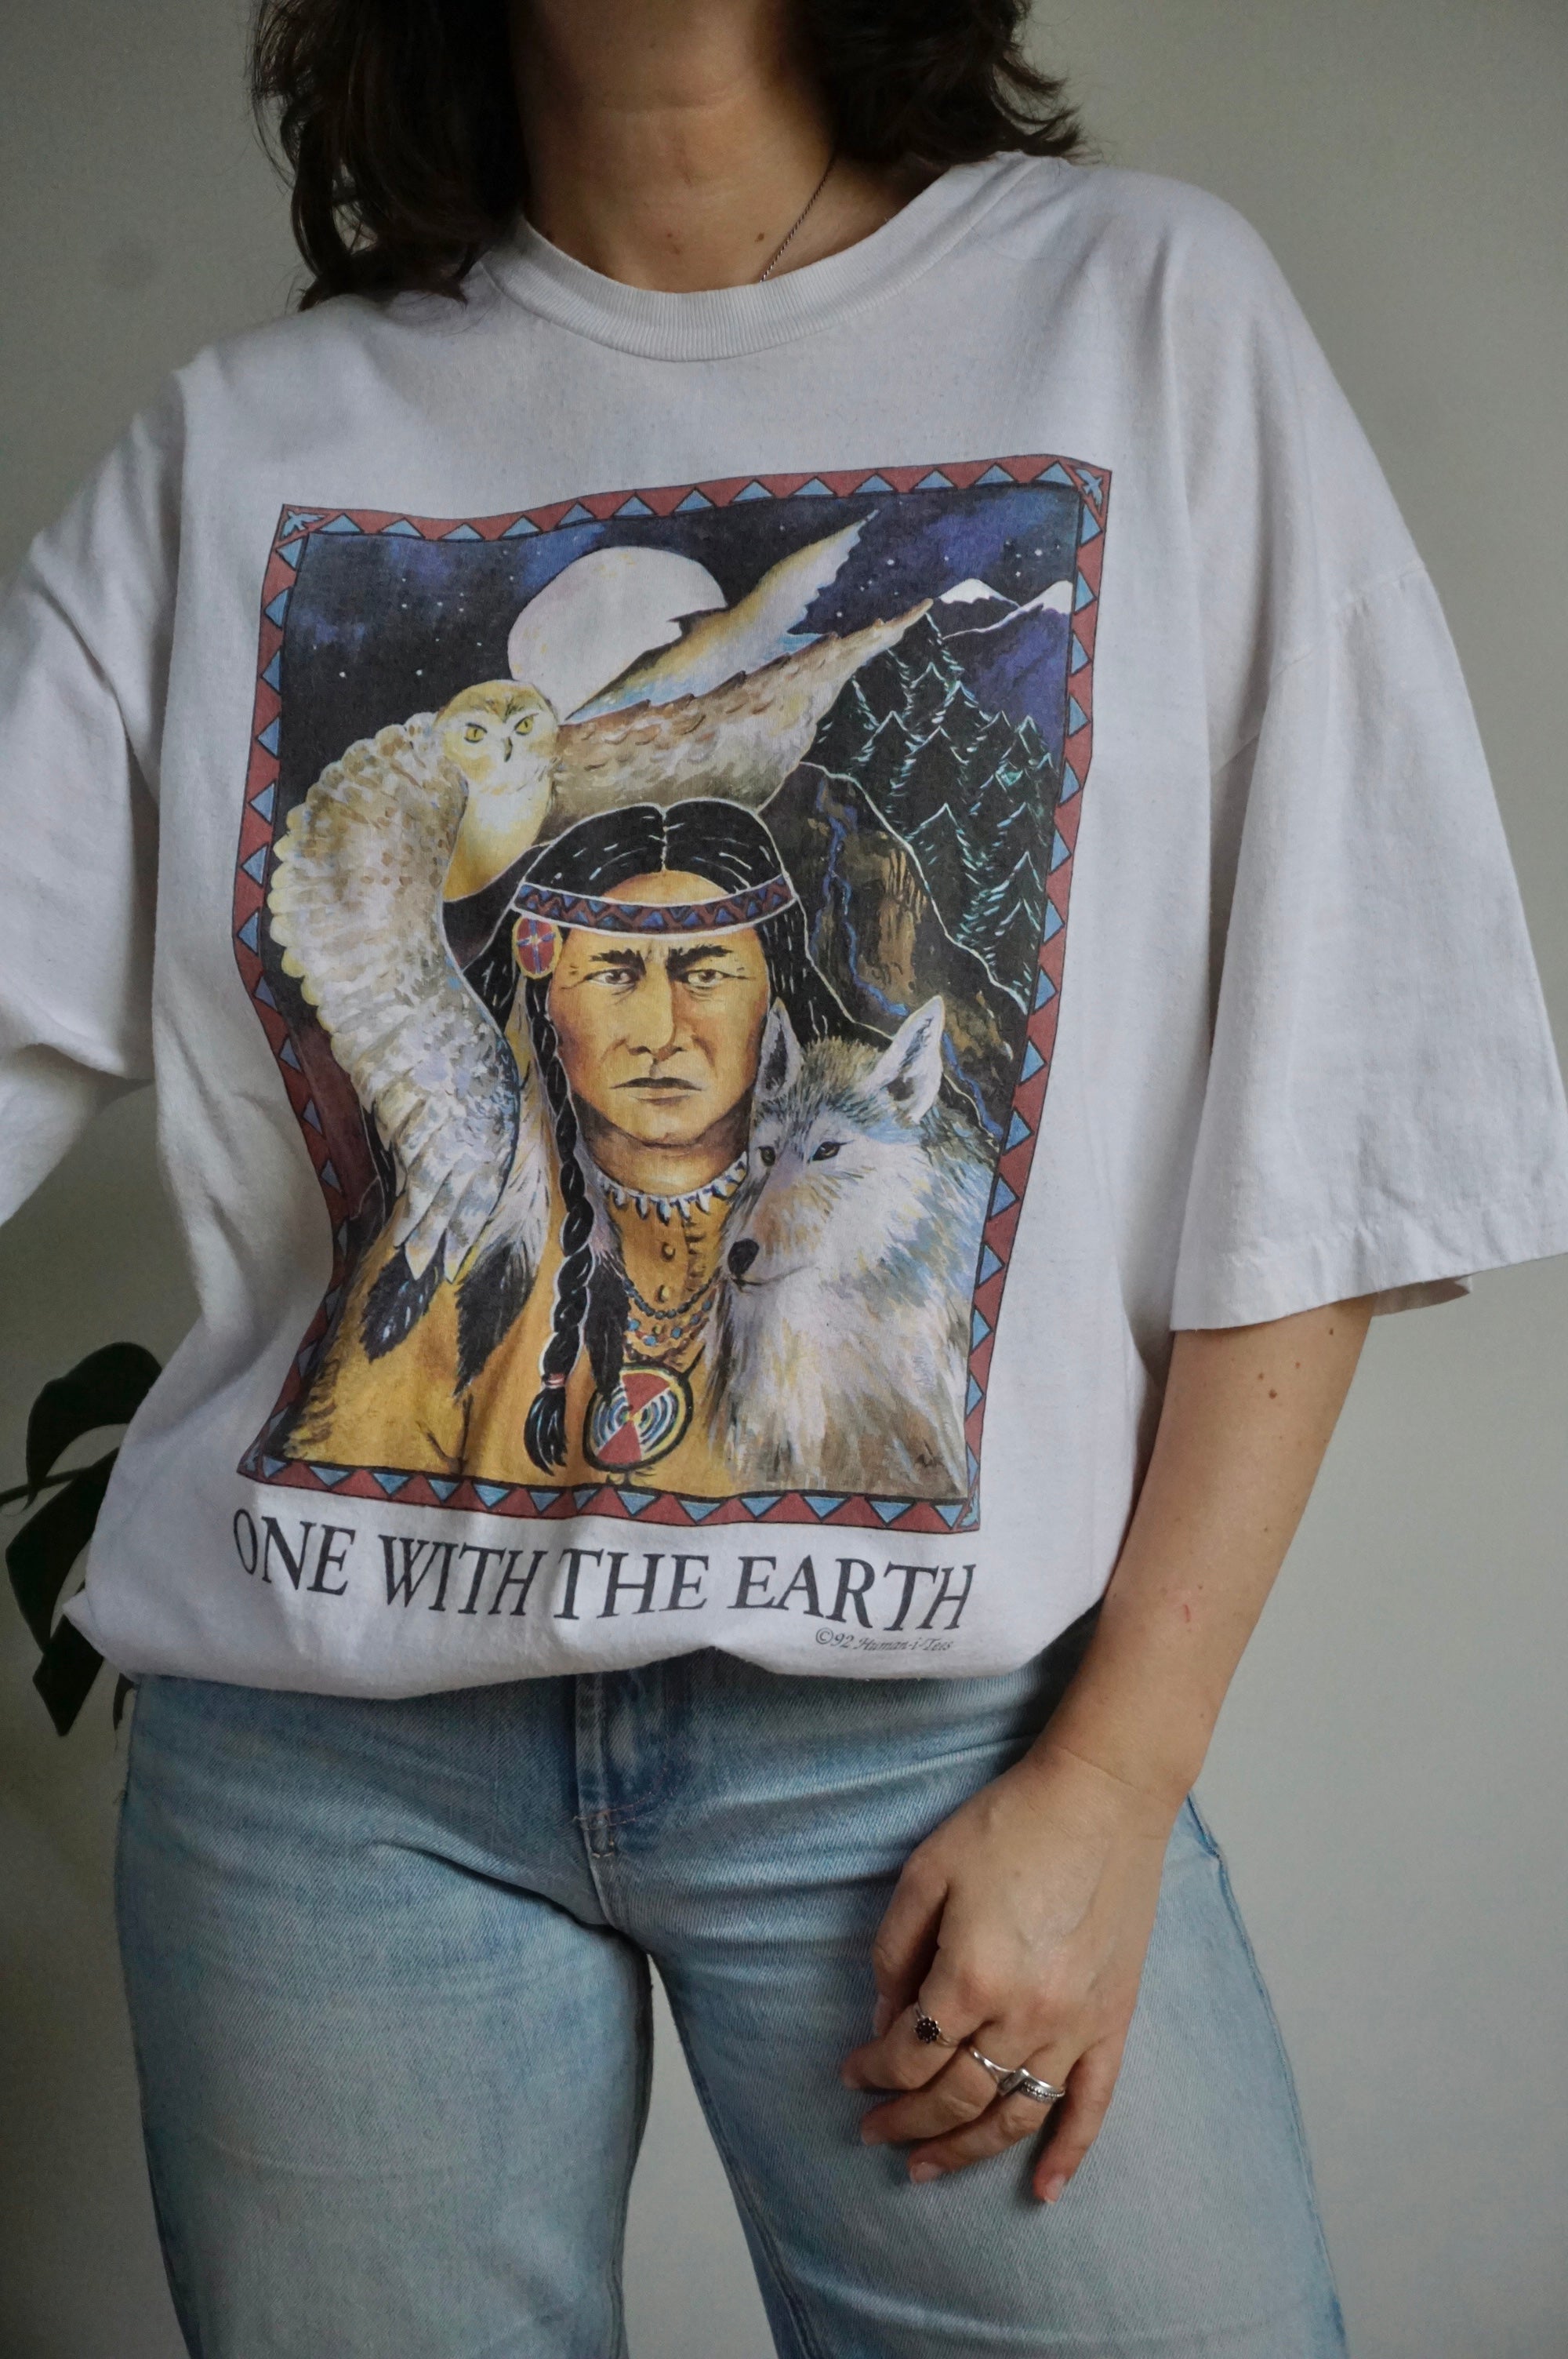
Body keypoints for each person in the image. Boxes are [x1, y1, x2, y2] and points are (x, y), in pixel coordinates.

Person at [3, 2, 1566, 2354]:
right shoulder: (237, 449)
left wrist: (1116, 1777)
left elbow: (1344, 1091)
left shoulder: (1144, 315)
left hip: (937, 1749)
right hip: (326, 1776)